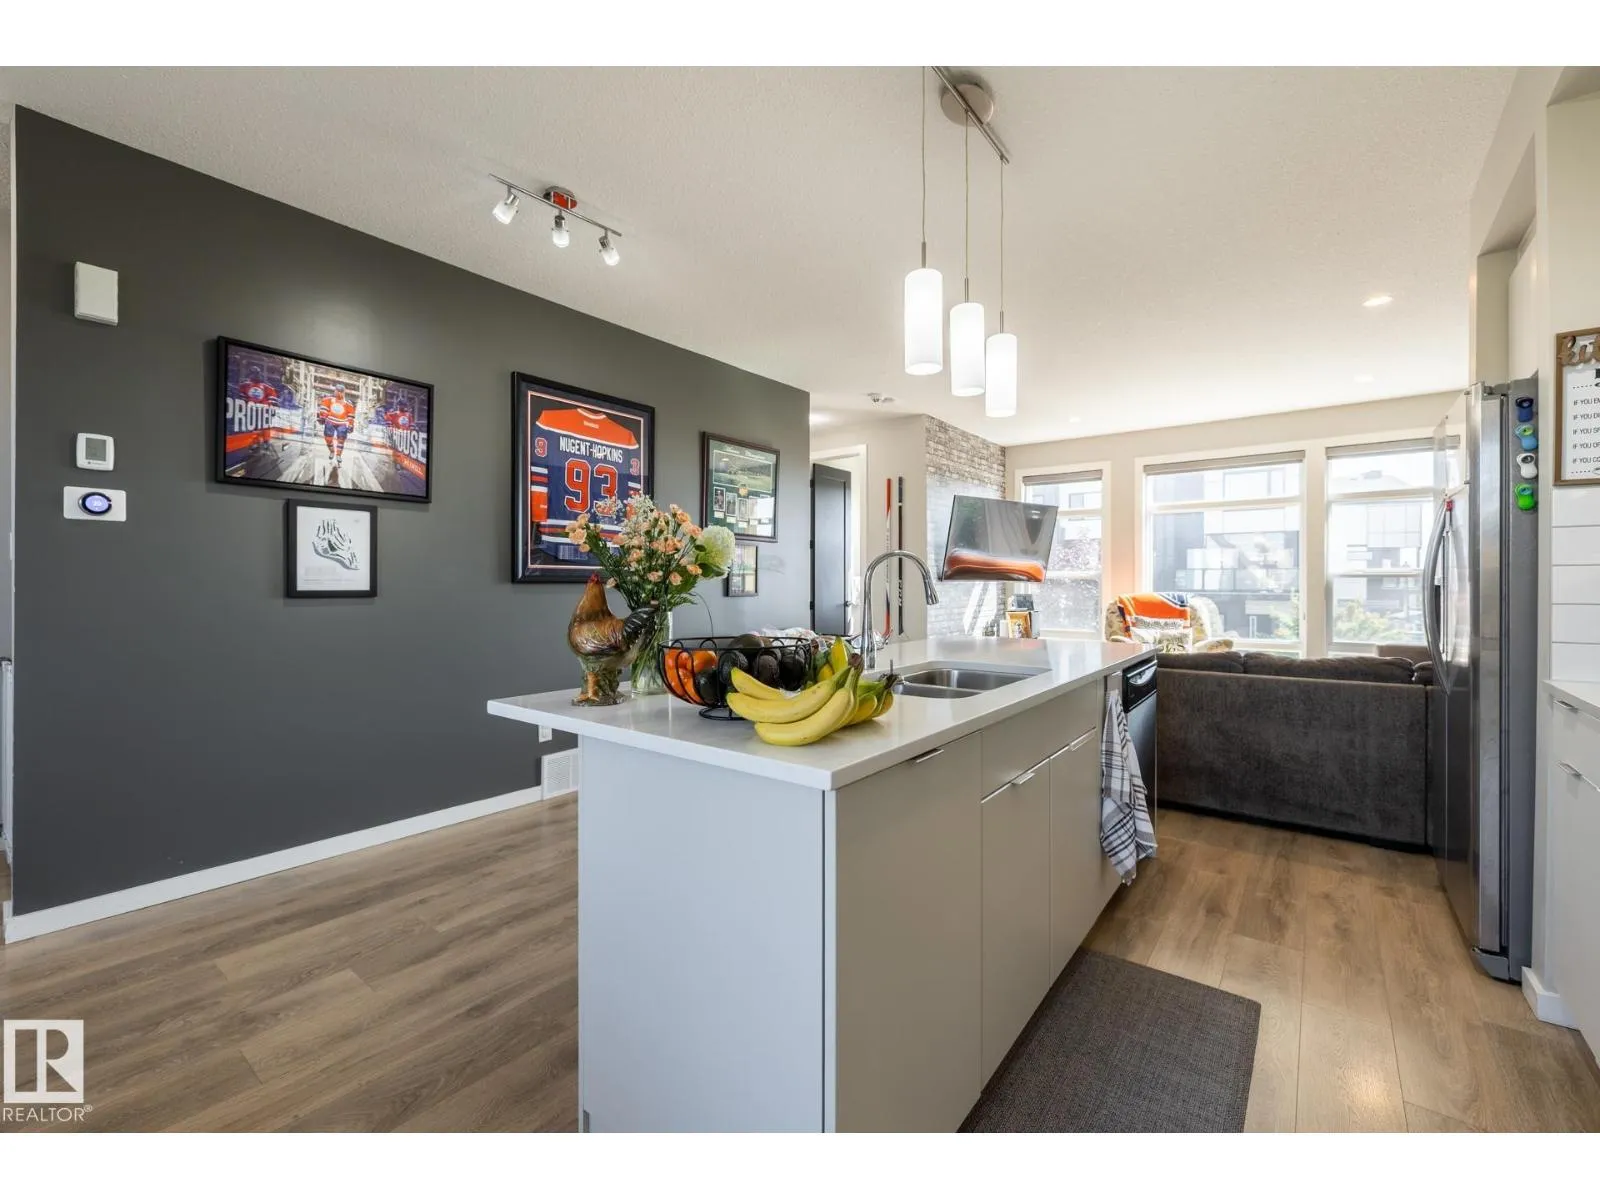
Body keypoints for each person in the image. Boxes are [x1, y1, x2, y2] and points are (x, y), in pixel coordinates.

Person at [317, 384, 358, 467]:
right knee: (328, 439)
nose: (338, 393)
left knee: (341, 439)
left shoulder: (348, 404)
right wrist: (323, 417)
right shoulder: (329, 400)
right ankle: (332, 451)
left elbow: (350, 415)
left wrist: (351, 425)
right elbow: (324, 409)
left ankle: (338, 454)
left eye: (340, 391)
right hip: (330, 421)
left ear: (343, 393)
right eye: (337, 390)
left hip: (342, 423)